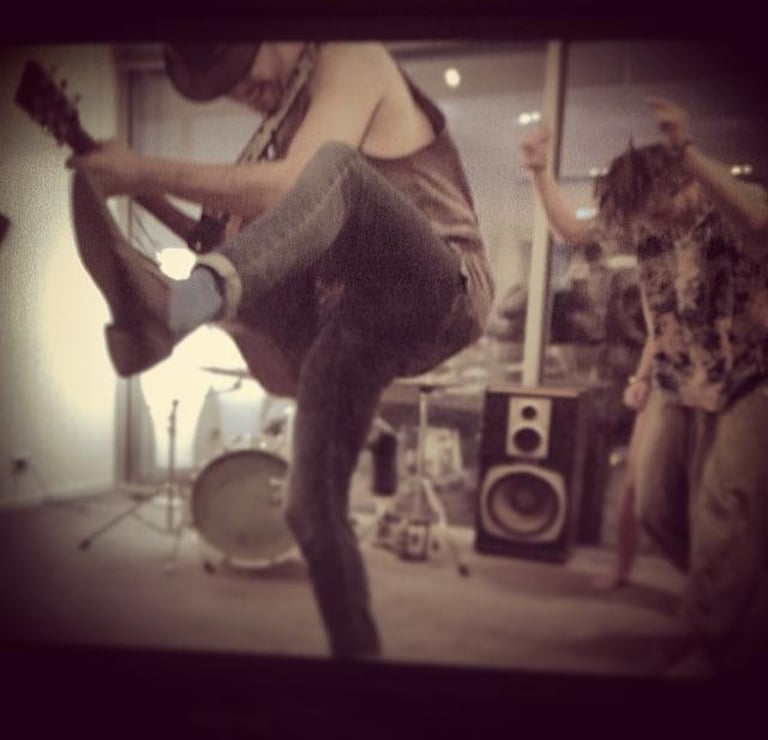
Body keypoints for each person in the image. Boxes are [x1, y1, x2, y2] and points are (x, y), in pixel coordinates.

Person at [66, 42, 494, 659]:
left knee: (336, 170)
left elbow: (294, 183)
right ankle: (358, 660)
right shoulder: (285, 118)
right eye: (226, 89)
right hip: (353, 322)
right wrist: (137, 191)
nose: (241, 91)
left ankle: (177, 310)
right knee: (308, 509)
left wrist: (143, 170)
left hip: (439, 288)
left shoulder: (351, 56)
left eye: (242, 70)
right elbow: (238, 234)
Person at [520, 96, 768, 676]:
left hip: (750, 379)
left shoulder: (728, 215)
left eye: (655, 211)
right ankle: (729, 592)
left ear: (683, 183)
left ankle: (712, 641)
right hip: (676, 377)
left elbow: (760, 218)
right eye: (641, 219)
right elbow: (574, 232)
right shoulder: (647, 232)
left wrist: (687, 151)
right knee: (654, 502)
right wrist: (539, 173)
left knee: (724, 506)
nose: (649, 227)